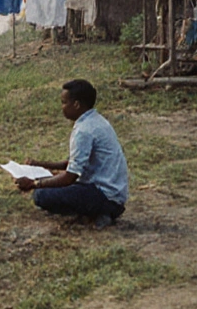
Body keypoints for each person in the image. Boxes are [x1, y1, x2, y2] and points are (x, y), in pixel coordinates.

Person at [16, 79, 129, 229]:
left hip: (104, 195)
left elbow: (70, 176)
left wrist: (35, 184)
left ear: (76, 104)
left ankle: (99, 211)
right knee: (49, 181)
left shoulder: (84, 131)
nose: (62, 107)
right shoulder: (96, 121)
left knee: (41, 195)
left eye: (64, 102)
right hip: (112, 193)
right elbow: (71, 164)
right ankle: (100, 211)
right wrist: (40, 165)